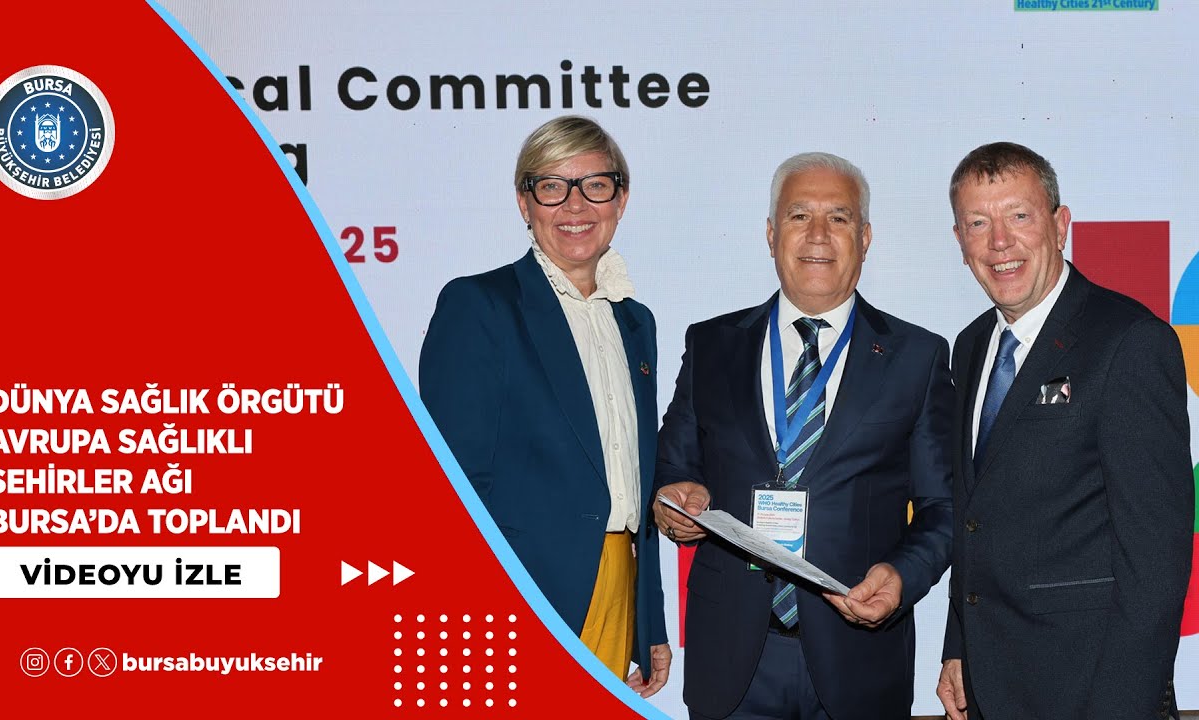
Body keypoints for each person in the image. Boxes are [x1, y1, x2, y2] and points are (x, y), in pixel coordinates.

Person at [654, 152, 954, 720]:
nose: (818, 234)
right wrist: (672, 506)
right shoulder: (712, 345)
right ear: (771, 235)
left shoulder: (917, 357)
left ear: (865, 238)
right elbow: (672, 470)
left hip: (859, 657)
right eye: (799, 216)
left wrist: (901, 576)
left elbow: (944, 507)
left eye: (839, 217)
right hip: (732, 660)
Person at [936, 142, 1193, 720]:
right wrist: (959, 646)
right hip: (991, 686)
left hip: (1093, 694)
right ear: (960, 241)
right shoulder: (971, 346)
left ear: (1060, 226)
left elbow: (1156, 563)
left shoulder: (1129, 342)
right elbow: (974, 515)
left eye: (1018, 216)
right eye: (978, 223)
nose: (1000, 242)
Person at [418, 115, 670, 696]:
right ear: (524, 203)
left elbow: (638, 478)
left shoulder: (637, 323)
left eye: (595, 185)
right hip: (522, 596)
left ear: (621, 199)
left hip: (617, 585)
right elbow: (452, 484)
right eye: (552, 187)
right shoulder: (480, 305)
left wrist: (650, 622)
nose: (575, 205)